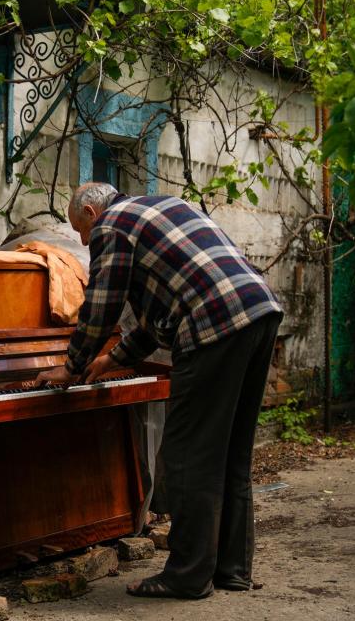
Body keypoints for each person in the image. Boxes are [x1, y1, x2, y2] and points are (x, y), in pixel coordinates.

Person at [36, 182, 283, 599]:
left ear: (92, 215)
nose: (85, 242)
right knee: (231, 453)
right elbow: (156, 320)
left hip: (214, 326)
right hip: (259, 312)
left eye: (81, 232)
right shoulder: (163, 208)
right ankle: (232, 570)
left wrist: (71, 366)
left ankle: (187, 575)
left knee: (187, 456)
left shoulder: (111, 226)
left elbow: (101, 305)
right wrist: (112, 360)